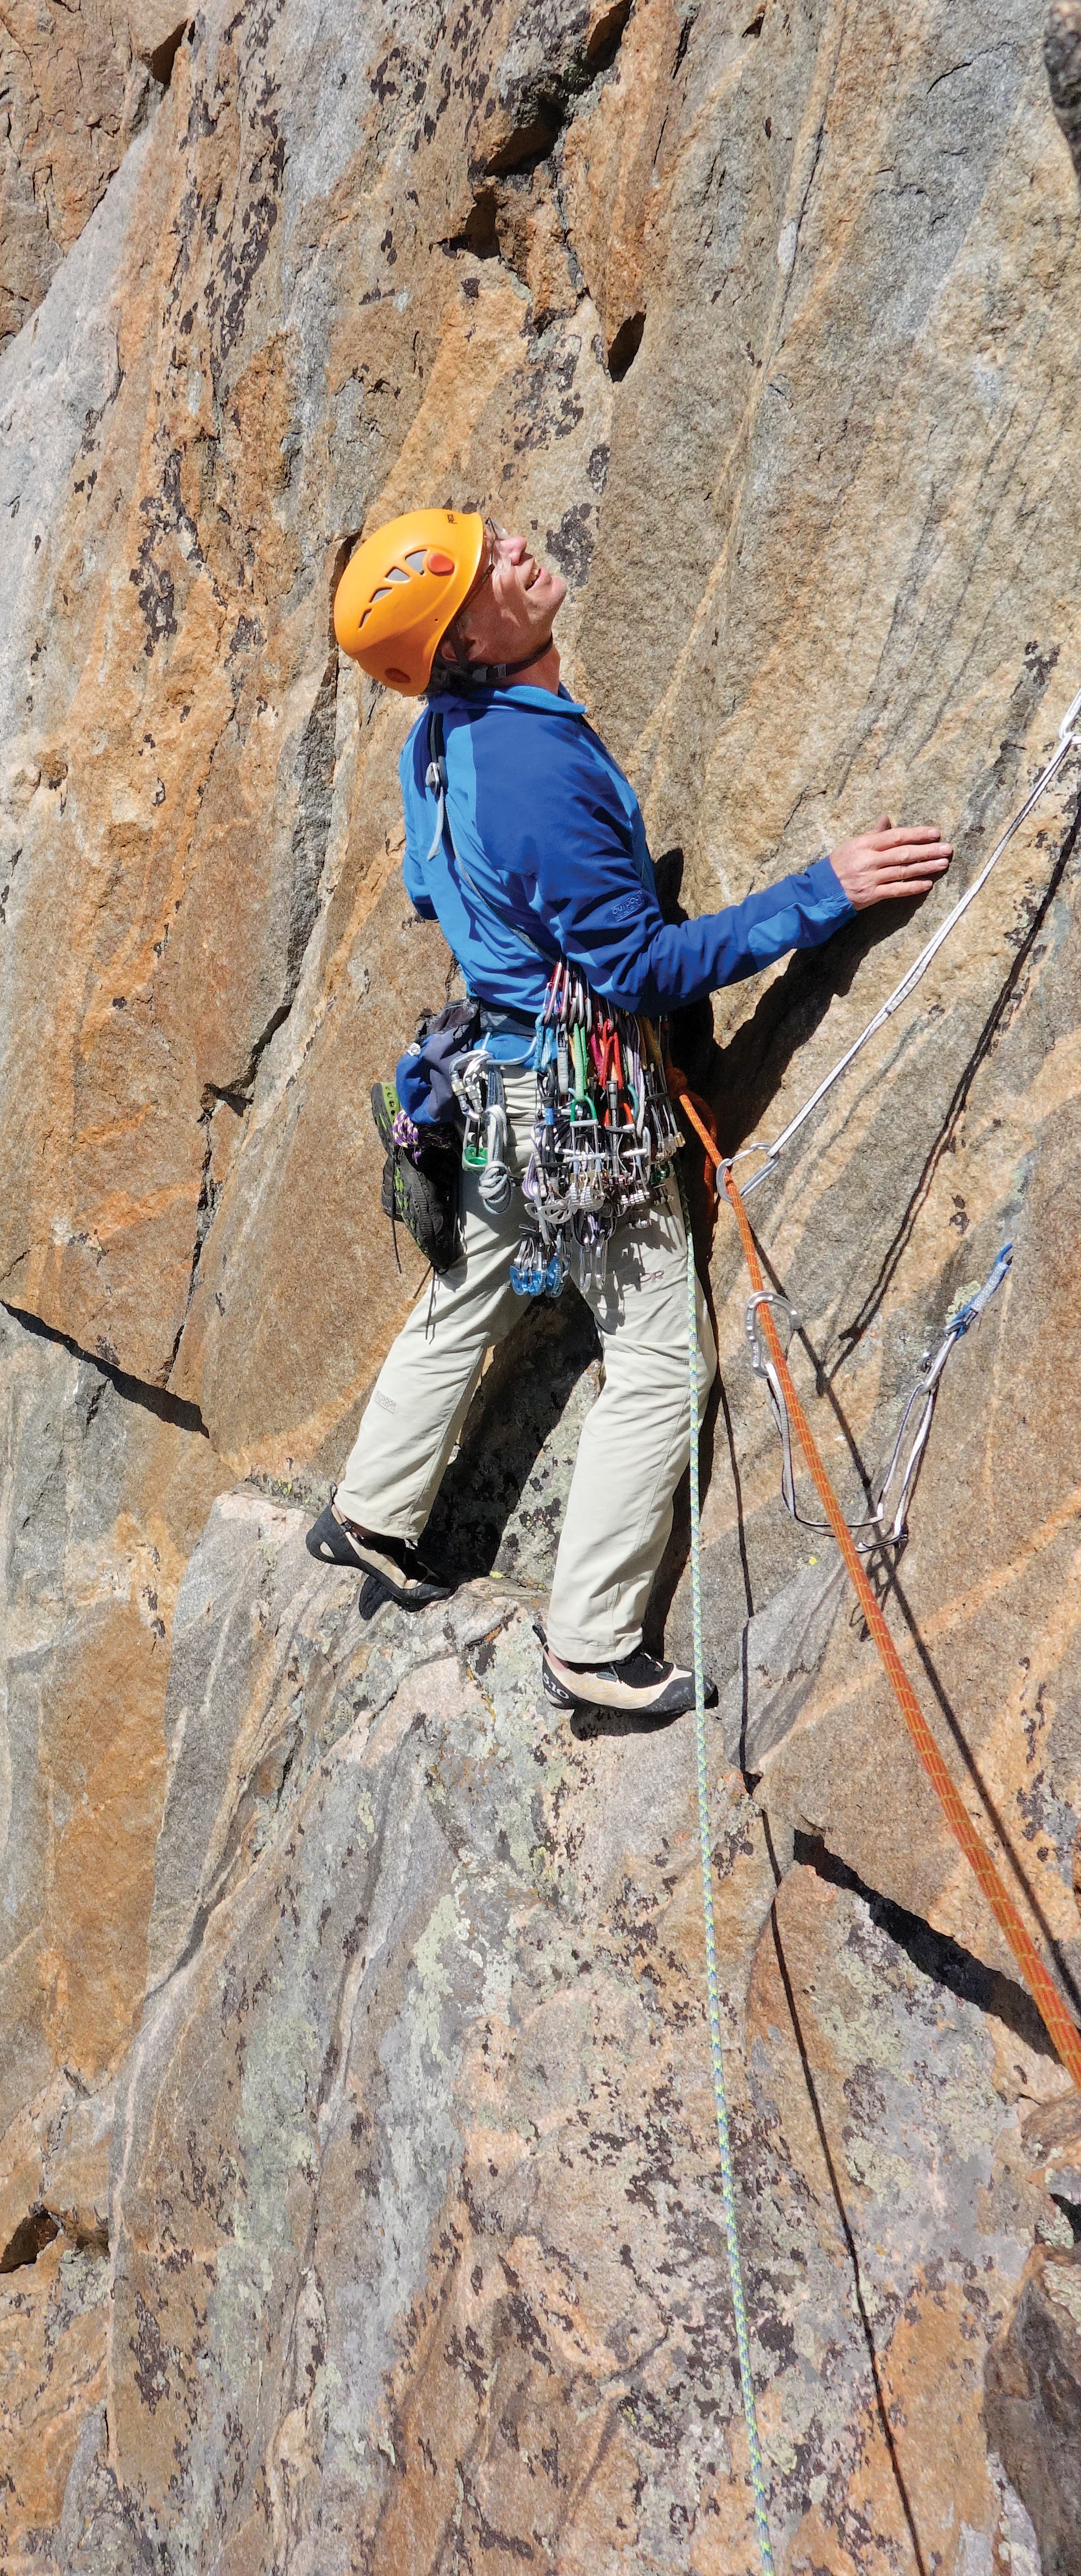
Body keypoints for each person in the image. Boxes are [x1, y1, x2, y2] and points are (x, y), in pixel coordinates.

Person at [307, 508, 953, 1718]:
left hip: (498, 1077)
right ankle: (594, 1645)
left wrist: (516, 935)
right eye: (481, 569)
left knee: (473, 1288)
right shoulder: (531, 765)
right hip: (575, 1102)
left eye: (489, 535)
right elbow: (646, 970)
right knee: (660, 1363)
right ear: (460, 648)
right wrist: (825, 892)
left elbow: (424, 885)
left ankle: (371, 1512)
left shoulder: (441, 741)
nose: (514, 552)